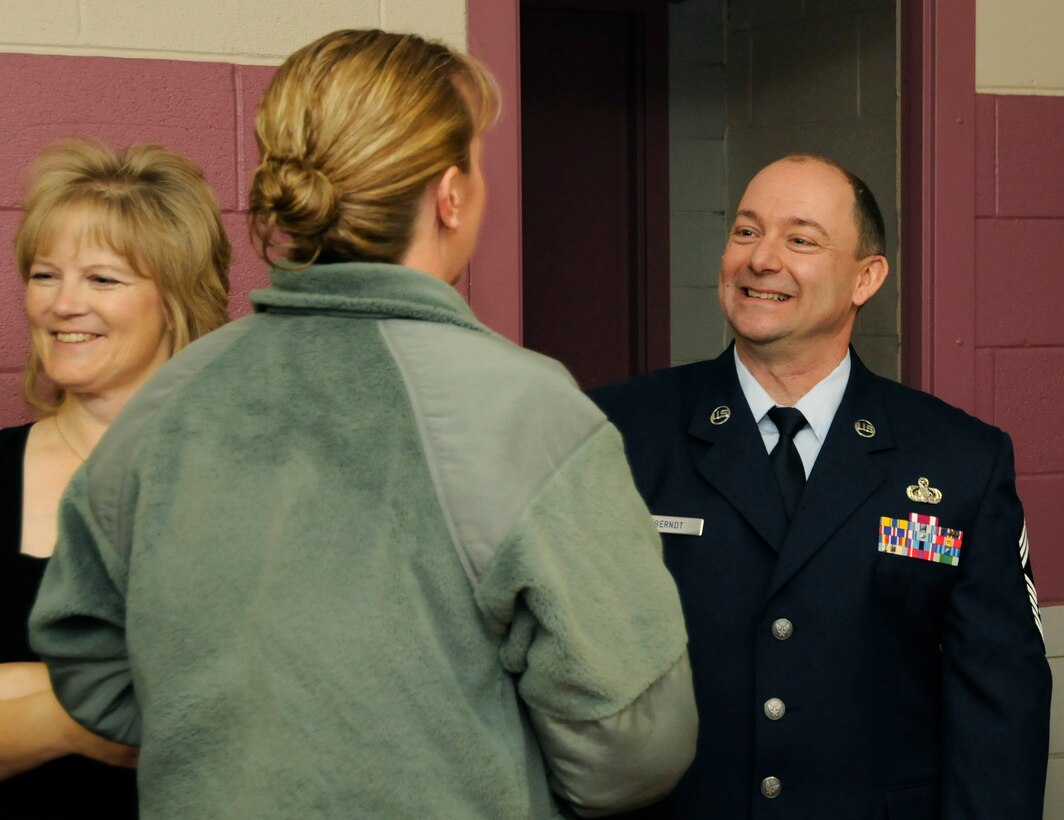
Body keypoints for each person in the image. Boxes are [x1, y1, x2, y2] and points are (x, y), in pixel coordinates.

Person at [29, 29, 697, 818]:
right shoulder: (530, 410)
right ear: (451, 195)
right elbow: (635, 745)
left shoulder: (170, 402)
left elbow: (86, 655)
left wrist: (248, 747)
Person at [590, 154, 1051, 819]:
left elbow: (1000, 710)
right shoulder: (620, 432)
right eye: (746, 232)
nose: (760, 259)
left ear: (866, 277)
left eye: (799, 239)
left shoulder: (959, 461)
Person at [0, 138, 230, 815]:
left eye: (102, 279)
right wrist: (82, 713)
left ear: (177, 299)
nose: (63, 305)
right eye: (45, 275)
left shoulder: (248, 481)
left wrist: (29, 689)